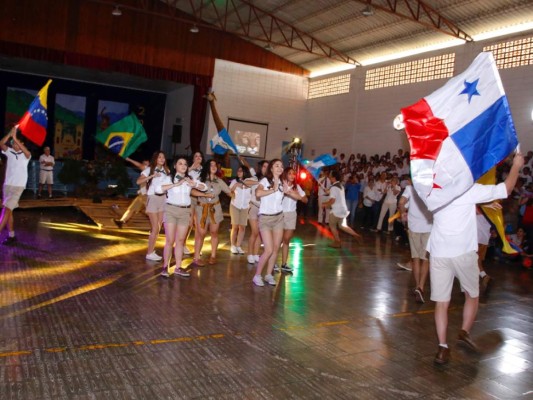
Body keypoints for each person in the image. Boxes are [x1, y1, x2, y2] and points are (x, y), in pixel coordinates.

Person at [431, 152, 523, 365]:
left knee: (441, 303)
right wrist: (516, 165)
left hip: (439, 252)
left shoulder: (432, 190)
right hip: (463, 251)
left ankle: (442, 347)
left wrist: (483, 205)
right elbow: (507, 189)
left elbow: (454, 207)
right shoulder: (468, 190)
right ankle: (464, 331)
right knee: (472, 295)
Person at [156, 156, 207, 278]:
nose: (183, 166)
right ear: (175, 166)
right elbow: (158, 189)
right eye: (180, 163)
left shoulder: (190, 179)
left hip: (185, 211)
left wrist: (193, 183)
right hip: (171, 210)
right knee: (170, 240)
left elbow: (204, 187)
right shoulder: (169, 178)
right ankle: (165, 267)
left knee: (180, 241)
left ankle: (178, 267)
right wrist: (175, 184)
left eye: (185, 164)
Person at [398, 179, 433, 303]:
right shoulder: (431, 187)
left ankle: (417, 284)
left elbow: (401, 202)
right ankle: (421, 287)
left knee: (416, 258)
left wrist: (403, 213)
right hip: (429, 226)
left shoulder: (410, 189)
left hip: (414, 227)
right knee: (425, 259)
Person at [252, 159, 286, 287]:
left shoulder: (282, 182)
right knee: (269, 249)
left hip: (278, 218)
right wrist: (273, 189)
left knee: (276, 248)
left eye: (281, 166)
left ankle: (268, 274)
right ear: (271, 168)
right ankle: (257, 275)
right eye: (276, 165)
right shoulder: (264, 181)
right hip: (265, 219)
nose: (279, 168)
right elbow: (258, 193)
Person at [193, 159, 232, 266]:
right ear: (207, 167)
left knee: (214, 232)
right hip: (202, 208)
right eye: (211, 165)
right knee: (201, 233)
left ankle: (213, 256)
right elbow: (191, 191)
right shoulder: (200, 180)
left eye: (215, 165)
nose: (214, 167)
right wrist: (204, 195)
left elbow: (229, 192)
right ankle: (196, 258)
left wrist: (239, 193)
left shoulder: (219, 181)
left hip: (215, 209)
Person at [0, 126, 31, 245]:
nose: (13, 144)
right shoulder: (10, 152)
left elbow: (27, 152)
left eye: (16, 143)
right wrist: (10, 134)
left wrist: (15, 138)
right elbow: (1, 143)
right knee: (9, 211)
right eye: (12, 143)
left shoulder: (26, 156)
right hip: (7, 185)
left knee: (6, 209)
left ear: (21, 143)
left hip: (18, 187)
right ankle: (11, 236)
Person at [137, 151, 170, 261]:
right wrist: (152, 175)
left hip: (163, 199)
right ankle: (149, 253)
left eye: (163, 157)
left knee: (158, 227)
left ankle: (151, 251)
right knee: (155, 227)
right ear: (155, 158)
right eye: (159, 157)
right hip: (153, 198)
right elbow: (138, 181)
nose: (162, 159)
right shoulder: (149, 169)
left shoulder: (167, 170)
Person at [322, 170, 362, 248]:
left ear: (333, 177)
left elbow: (332, 200)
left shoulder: (333, 187)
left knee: (332, 225)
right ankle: (356, 235)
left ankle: (337, 242)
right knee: (342, 225)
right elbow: (334, 192)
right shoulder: (340, 185)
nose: (329, 176)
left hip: (336, 210)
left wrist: (325, 204)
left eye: (330, 175)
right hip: (343, 209)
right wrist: (329, 191)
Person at [279, 166, 307, 273]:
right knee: (277, 241)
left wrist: (297, 195)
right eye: (290, 173)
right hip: (279, 214)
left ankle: (284, 264)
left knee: (286, 239)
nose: (292, 175)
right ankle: (273, 264)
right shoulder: (280, 185)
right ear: (285, 174)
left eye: (293, 174)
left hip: (291, 215)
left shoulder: (297, 187)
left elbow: (305, 200)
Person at [113, 157, 150, 228]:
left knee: (149, 212)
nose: (144, 165)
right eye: (143, 163)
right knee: (132, 209)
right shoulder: (146, 171)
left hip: (147, 196)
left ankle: (161, 223)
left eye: (146, 163)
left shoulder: (150, 170)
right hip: (142, 195)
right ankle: (122, 221)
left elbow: (139, 166)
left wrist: (130, 160)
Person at [247, 160, 269, 264]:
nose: (266, 168)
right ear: (261, 168)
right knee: (255, 232)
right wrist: (259, 182)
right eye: (264, 166)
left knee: (260, 233)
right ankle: (250, 254)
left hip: (263, 209)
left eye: (268, 167)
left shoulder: (270, 180)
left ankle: (255, 254)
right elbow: (245, 182)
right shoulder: (256, 177)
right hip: (254, 207)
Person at [229, 164, 252, 255]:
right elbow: (229, 191)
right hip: (235, 205)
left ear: (245, 172)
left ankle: (238, 246)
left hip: (245, 207)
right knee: (235, 226)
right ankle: (232, 245)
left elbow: (252, 194)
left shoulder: (249, 183)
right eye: (238, 171)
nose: (238, 172)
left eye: (241, 171)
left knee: (242, 227)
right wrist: (236, 185)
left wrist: (250, 204)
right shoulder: (234, 181)